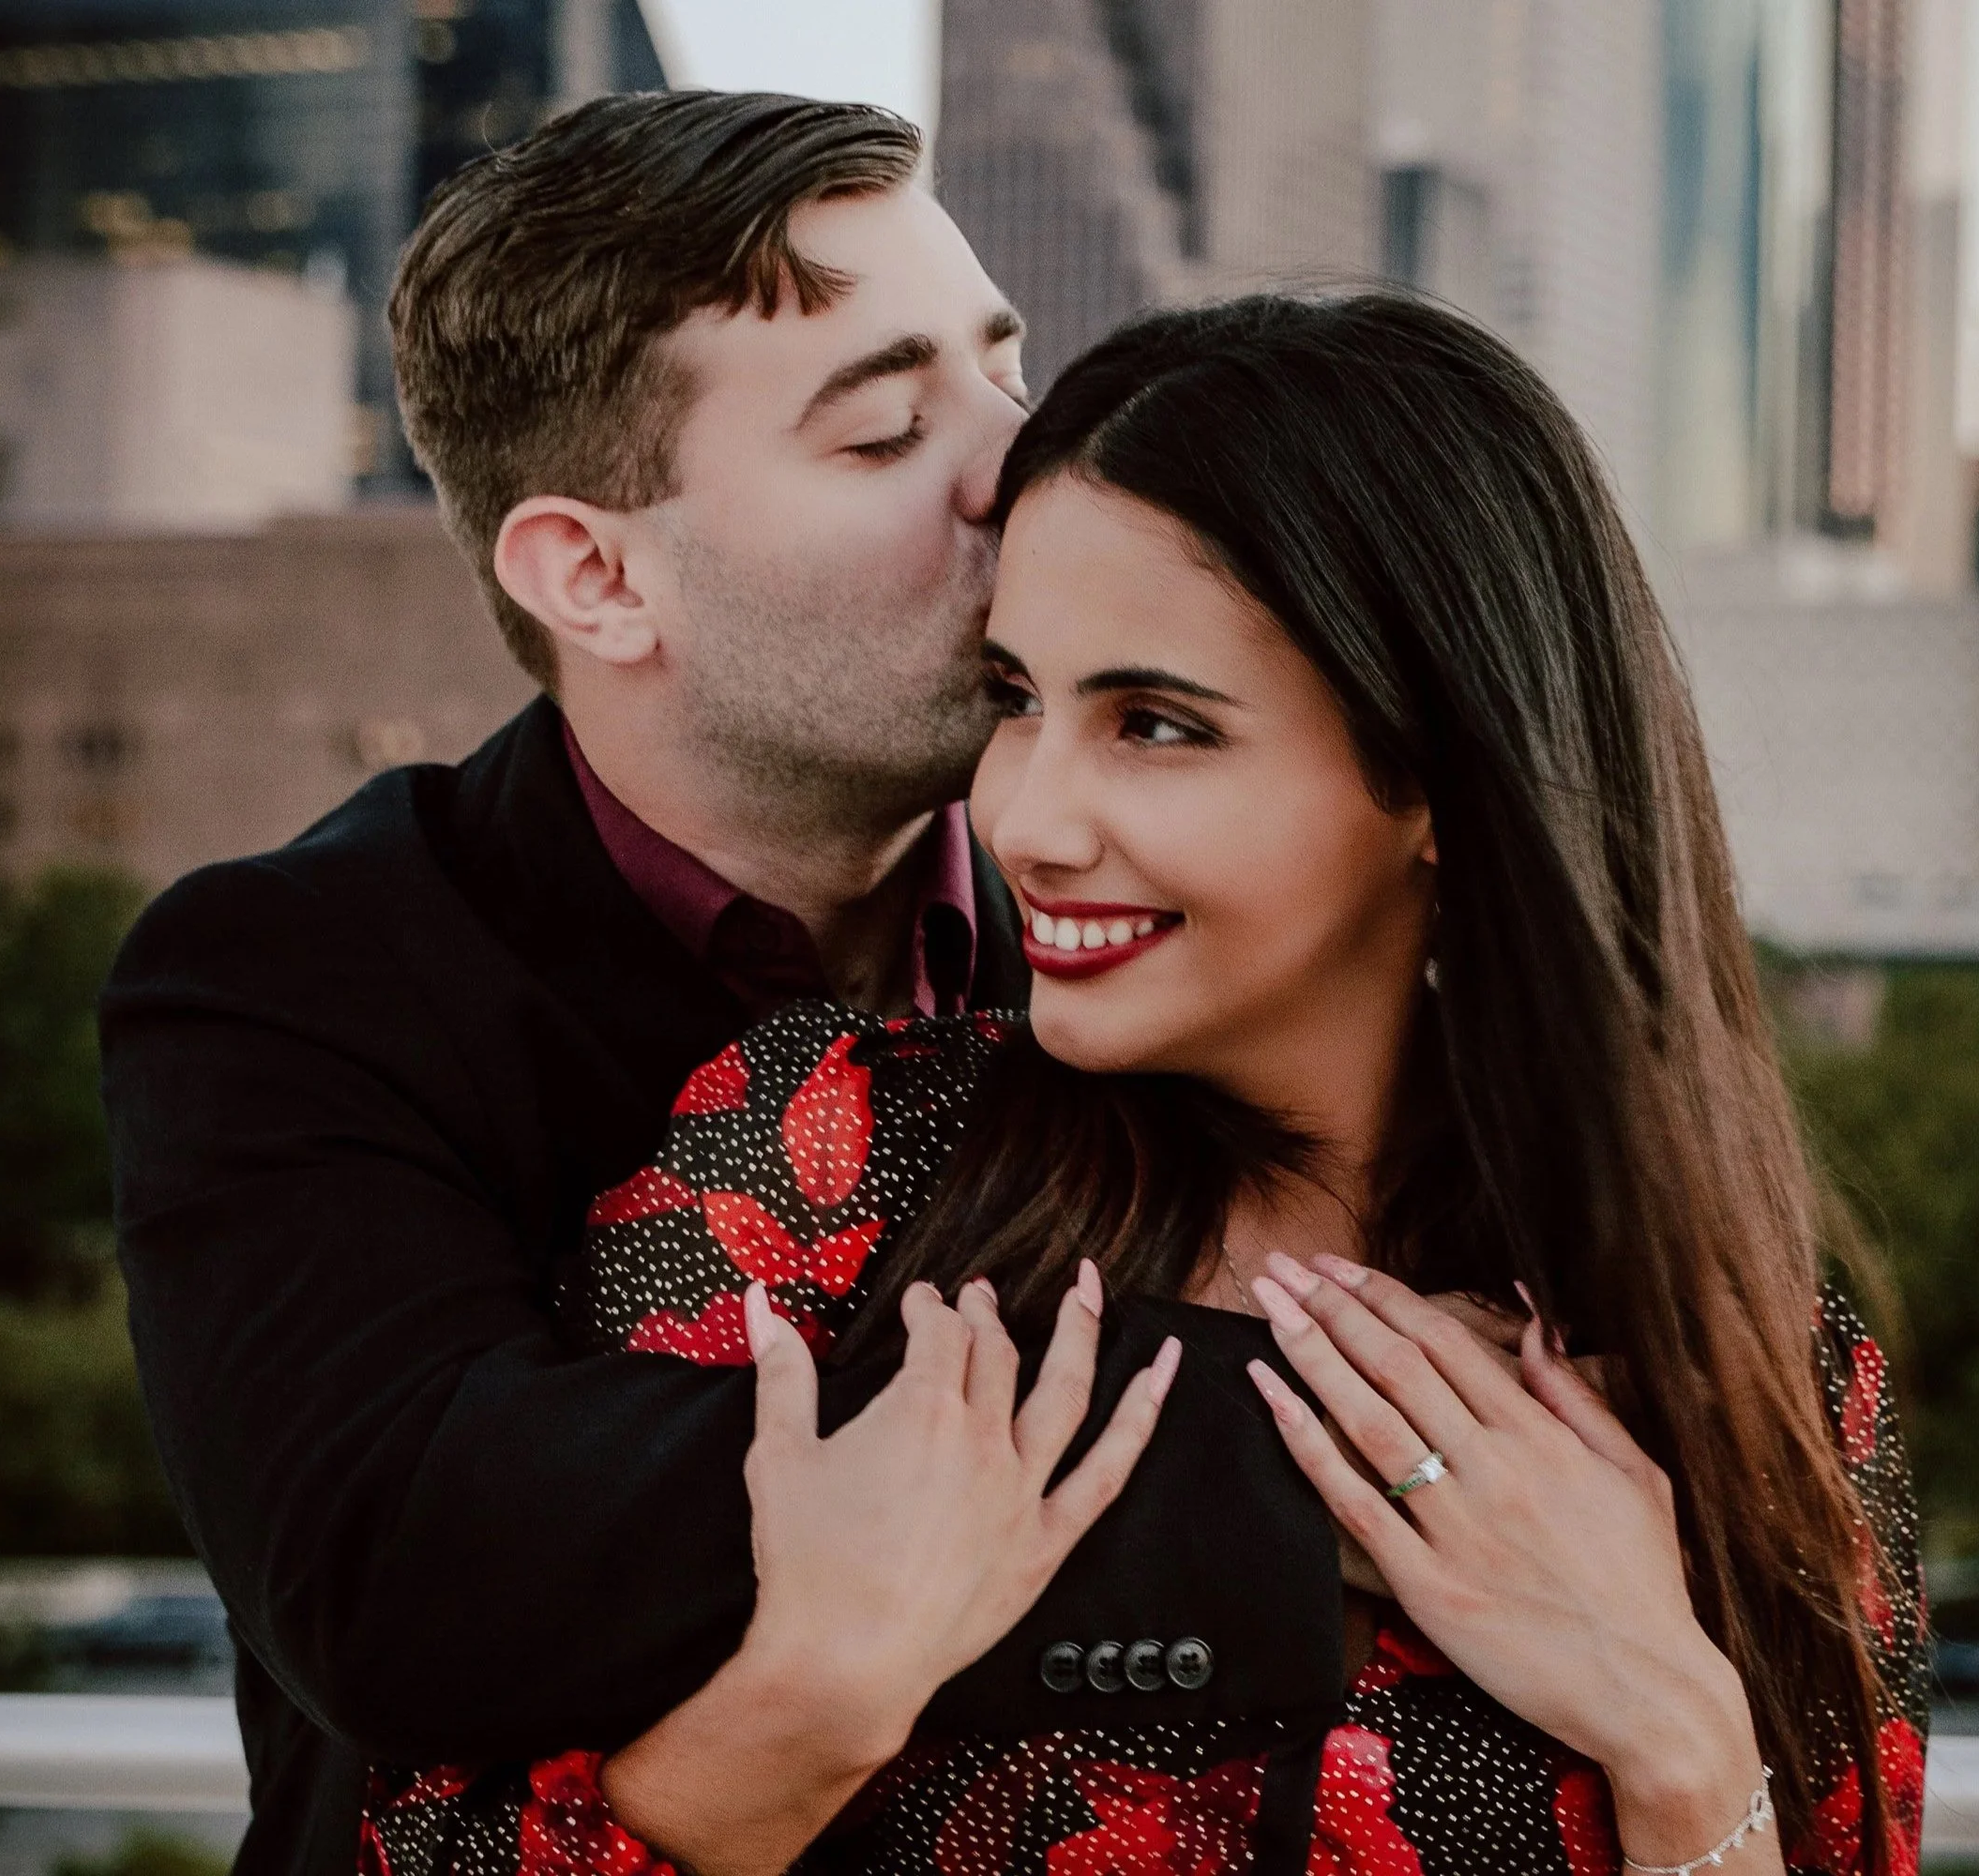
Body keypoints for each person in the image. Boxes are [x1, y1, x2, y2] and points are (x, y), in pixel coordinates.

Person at [356, 295, 1929, 1876]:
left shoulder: (1754, 1365)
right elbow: (432, 1845)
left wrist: (1679, 1739)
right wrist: (818, 1697)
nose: (1028, 818)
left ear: (1444, 777)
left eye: (1159, 726)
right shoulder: (832, 1165)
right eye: (1017, 700)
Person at [99, 92, 1335, 1876]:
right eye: (890, 429)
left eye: (1011, 374)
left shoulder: (1167, 923)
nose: (1029, 463)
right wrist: (1372, 1456)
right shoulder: (293, 977)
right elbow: (400, 1556)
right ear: (596, 575)